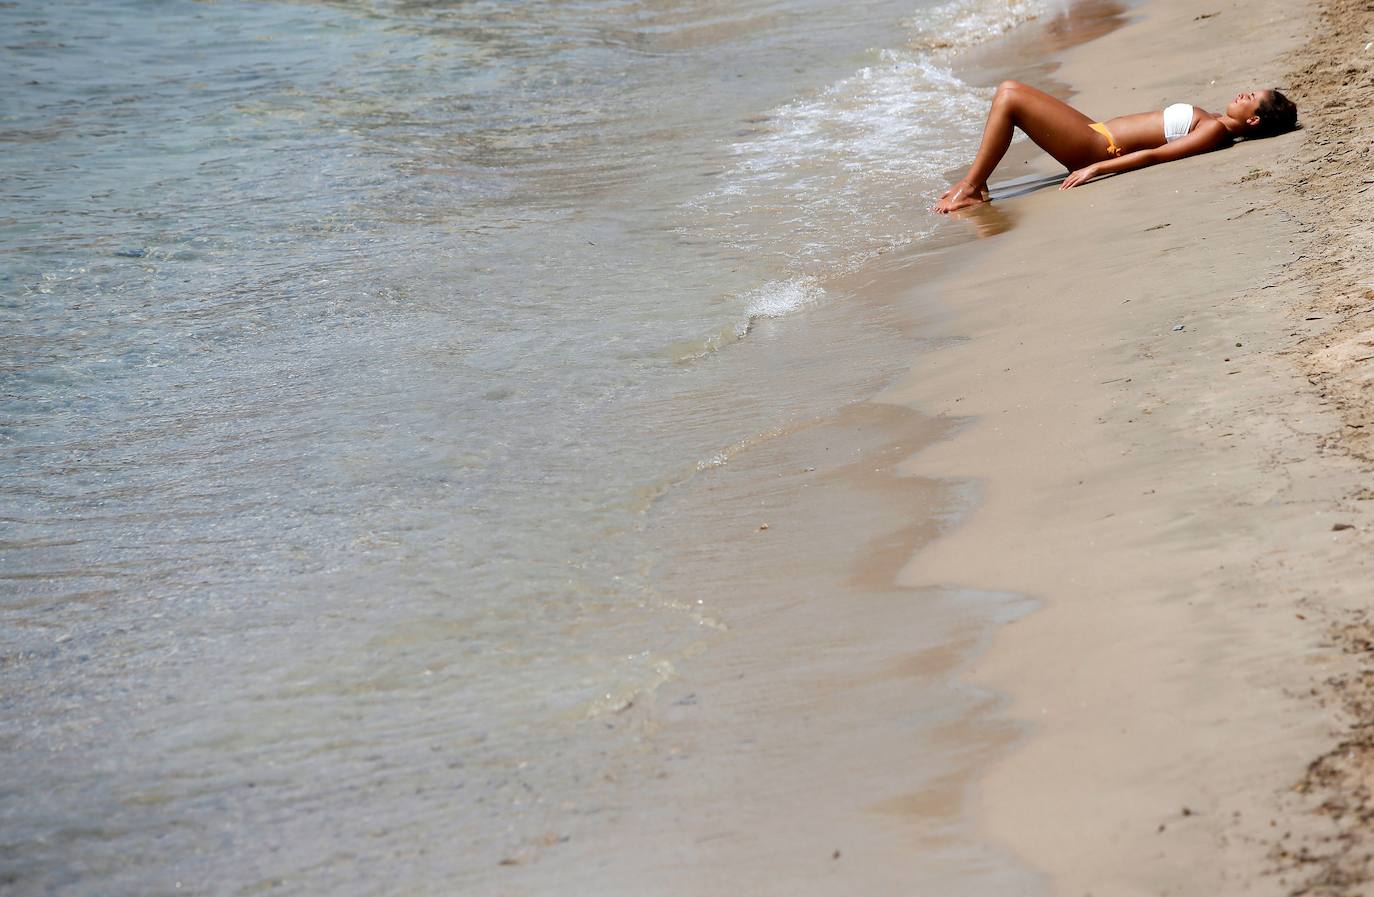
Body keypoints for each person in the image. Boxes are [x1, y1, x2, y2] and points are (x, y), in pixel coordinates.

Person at [931, 81, 1298, 213]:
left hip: (1096, 147)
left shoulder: (1214, 130)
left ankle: (973, 188)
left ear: (1253, 120)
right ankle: (974, 183)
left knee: (1009, 95)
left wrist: (1097, 167)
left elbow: (1157, 156)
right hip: (1095, 131)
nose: (1244, 92)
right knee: (1009, 93)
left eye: (1252, 97)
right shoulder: (1215, 119)